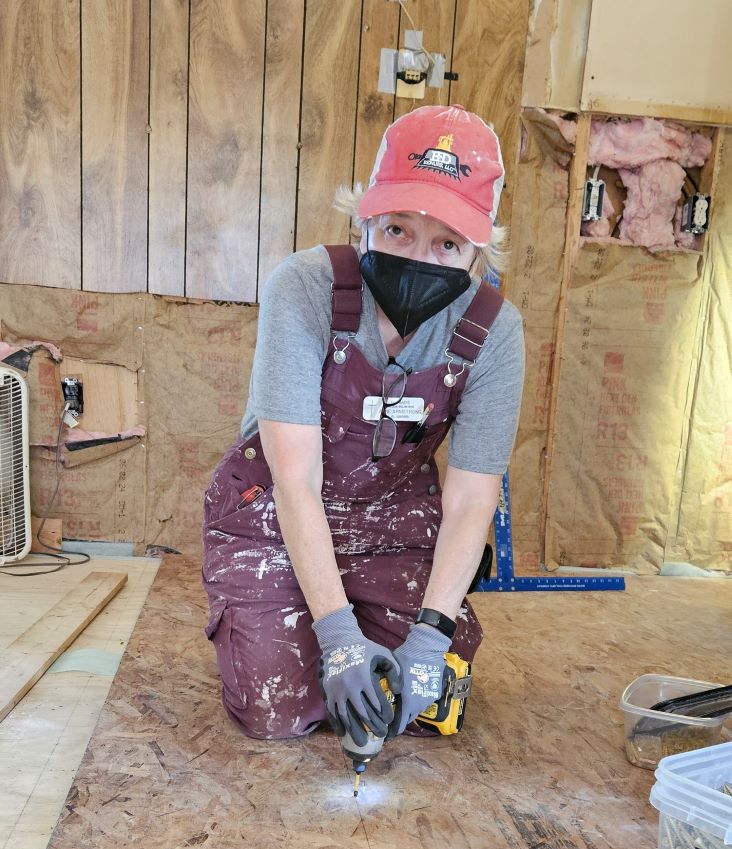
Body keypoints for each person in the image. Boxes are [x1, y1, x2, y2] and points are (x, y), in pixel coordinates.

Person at [202, 104, 524, 749]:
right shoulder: (306, 288)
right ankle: (290, 628)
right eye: (398, 229)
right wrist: (339, 638)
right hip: (276, 511)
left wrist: (429, 639)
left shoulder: (494, 331)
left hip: (393, 519)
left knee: (422, 688)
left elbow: (470, 498)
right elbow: (295, 480)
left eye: (448, 244)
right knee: (278, 707)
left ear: (478, 252)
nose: (419, 256)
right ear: (364, 220)